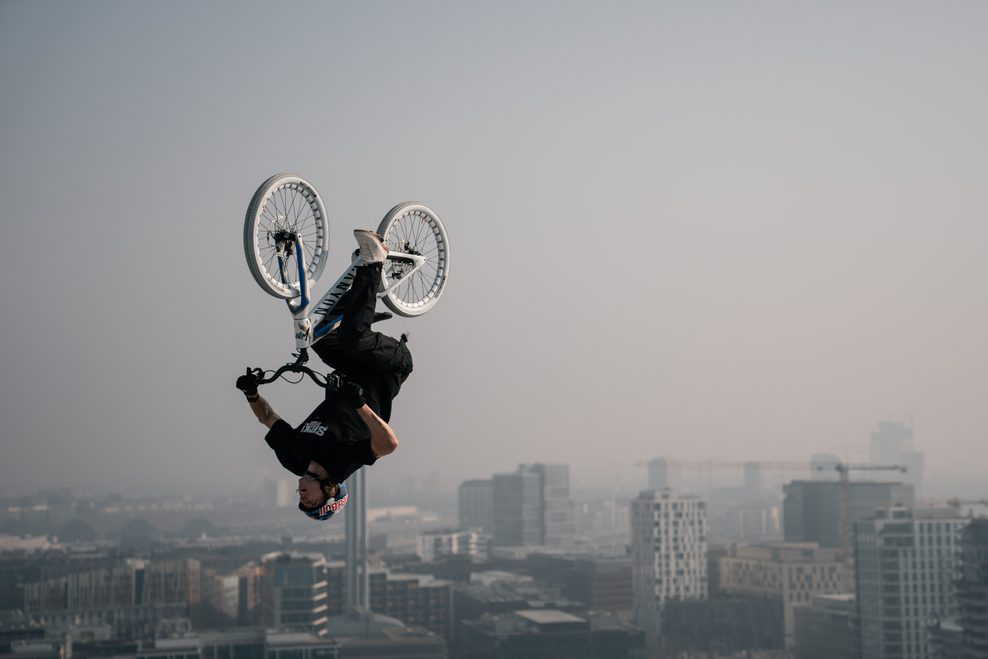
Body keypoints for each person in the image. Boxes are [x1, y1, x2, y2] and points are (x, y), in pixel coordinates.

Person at [236, 230, 414, 521]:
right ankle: (373, 261)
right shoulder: (344, 462)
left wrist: (251, 393)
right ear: (330, 492)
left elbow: (267, 417)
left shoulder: (295, 456)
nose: (302, 497)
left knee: (314, 335)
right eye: (310, 503)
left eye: (301, 501)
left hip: (352, 366)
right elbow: (388, 444)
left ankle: (362, 275)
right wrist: (360, 404)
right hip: (390, 366)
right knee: (351, 340)